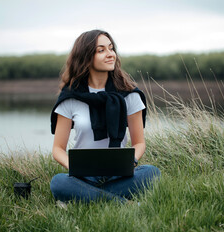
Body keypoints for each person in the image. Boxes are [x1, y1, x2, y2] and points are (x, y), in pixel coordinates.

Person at [49, 29, 160, 204]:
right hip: (83, 176)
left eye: (111, 48)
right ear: (85, 57)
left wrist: (132, 160)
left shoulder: (129, 95)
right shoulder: (70, 97)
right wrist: (74, 167)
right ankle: (123, 204)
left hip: (118, 174)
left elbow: (139, 143)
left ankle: (83, 197)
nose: (110, 54)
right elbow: (58, 149)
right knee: (58, 182)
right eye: (101, 50)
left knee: (152, 173)